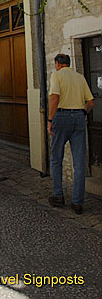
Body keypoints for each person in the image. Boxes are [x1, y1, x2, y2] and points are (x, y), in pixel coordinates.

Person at [48, 53, 94, 214]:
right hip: (79, 117)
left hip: (61, 117)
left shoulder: (57, 75)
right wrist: (82, 113)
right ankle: (77, 202)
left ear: (58, 64)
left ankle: (58, 195)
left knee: (56, 158)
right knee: (79, 162)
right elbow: (91, 102)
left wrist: (50, 120)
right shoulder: (79, 77)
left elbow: (54, 97)